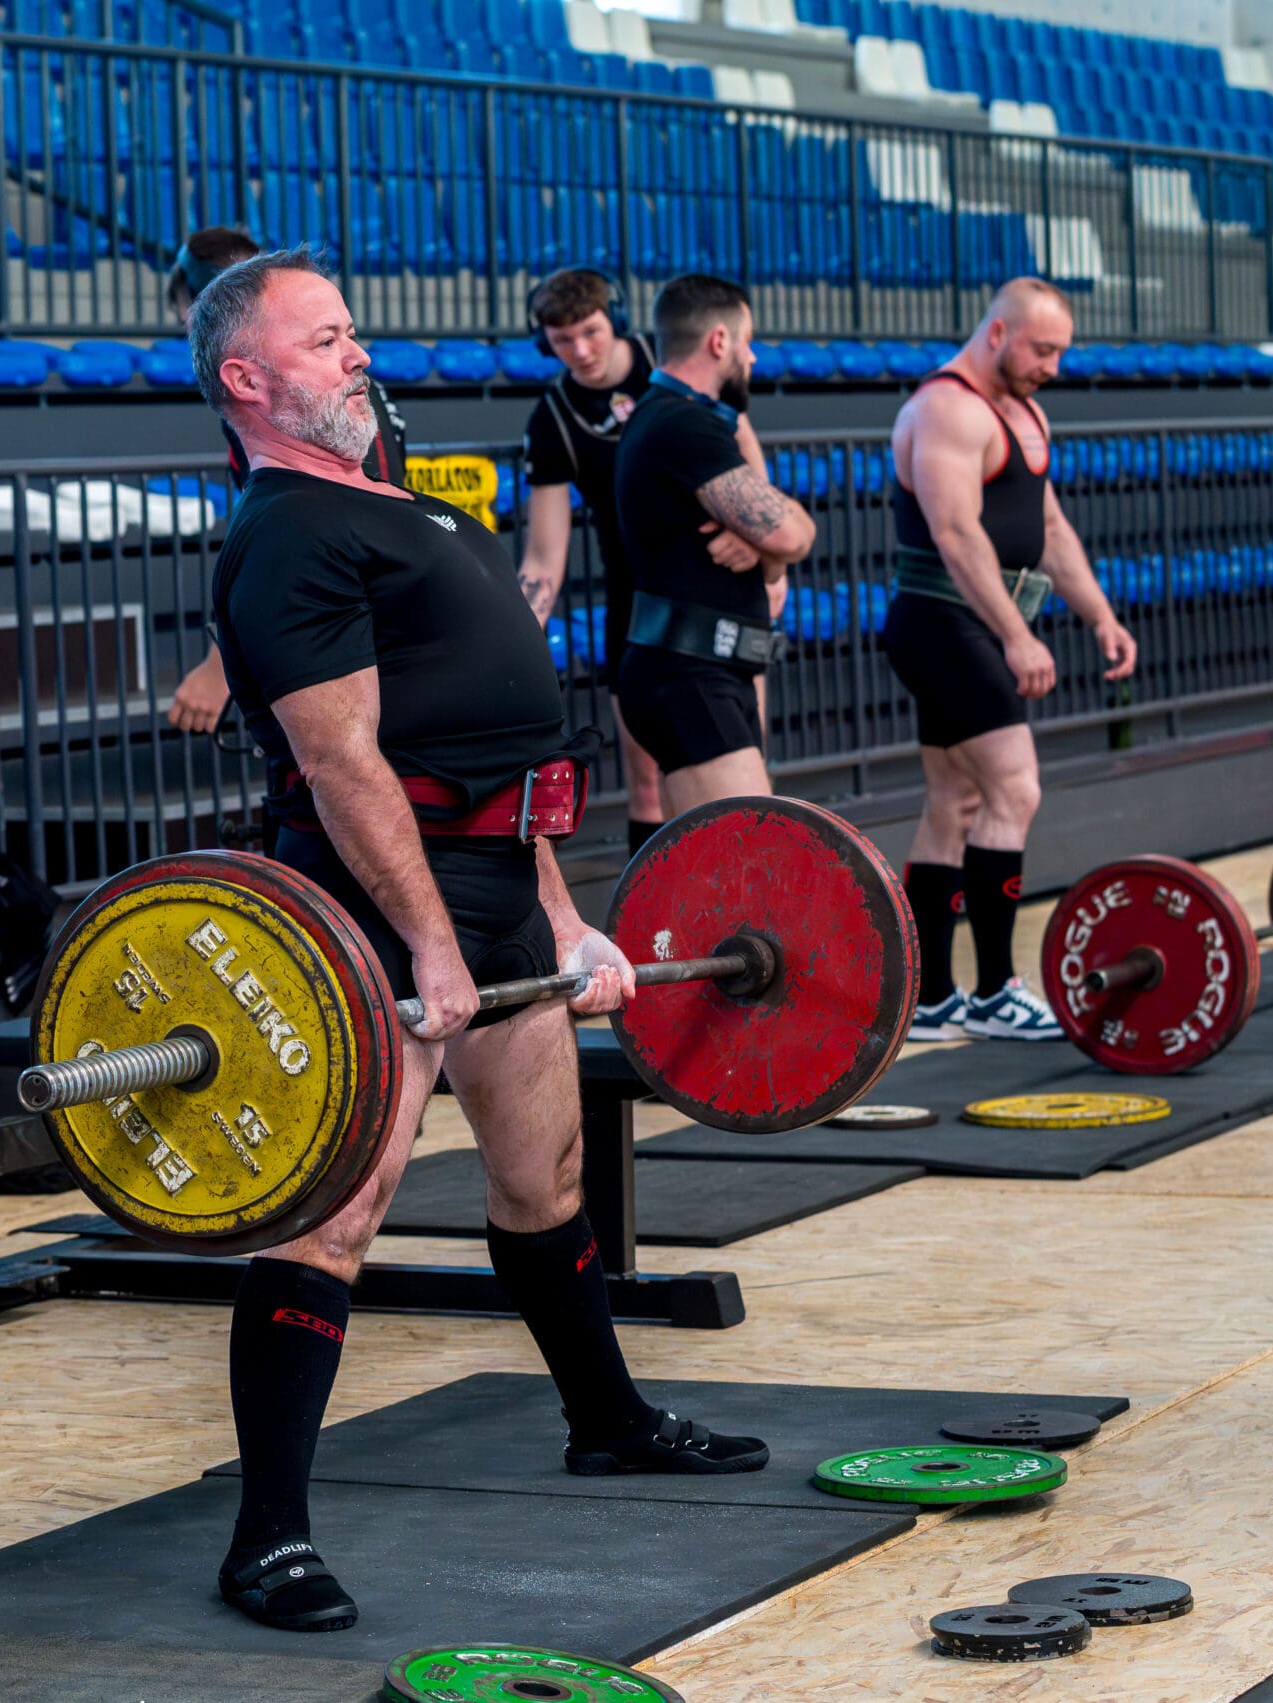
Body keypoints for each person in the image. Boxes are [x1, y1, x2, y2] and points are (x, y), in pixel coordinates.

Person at [189, 250, 768, 1634]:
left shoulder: (392, 503)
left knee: (544, 1176)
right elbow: (343, 763)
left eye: (352, 331)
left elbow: (496, 752)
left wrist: (559, 917)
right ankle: (267, 1536)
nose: (357, 354)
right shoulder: (288, 532)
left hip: (500, 883)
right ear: (246, 378)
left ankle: (606, 1418)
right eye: (324, 339)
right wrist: (430, 944)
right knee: (332, 1218)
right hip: (373, 907)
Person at [884, 277, 1136, 1044]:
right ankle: (996, 990)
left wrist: (1099, 614)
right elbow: (956, 533)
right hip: (943, 622)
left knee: (954, 802)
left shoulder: (1023, 409)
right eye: (1042, 349)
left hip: (973, 624)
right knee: (1014, 788)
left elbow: (1049, 527)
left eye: (1061, 352)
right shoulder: (948, 407)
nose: (1053, 366)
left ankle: (929, 999)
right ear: (997, 332)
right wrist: (1017, 635)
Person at [162, 225, 407, 738]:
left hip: (359, 627)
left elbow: (307, 526)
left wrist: (219, 665)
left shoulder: (298, 395)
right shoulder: (323, 385)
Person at [609, 275, 815, 816]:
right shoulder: (683, 423)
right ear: (719, 341)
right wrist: (773, 542)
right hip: (689, 675)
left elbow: (778, 541)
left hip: (703, 671)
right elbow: (793, 533)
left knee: (714, 861)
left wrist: (764, 548)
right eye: (748, 341)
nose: (752, 356)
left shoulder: (674, 416)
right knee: (752, 852)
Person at [514, 268, 671, 855]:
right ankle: (653, 912)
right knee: (648, 783)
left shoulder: (667, 360)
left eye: (591, 332)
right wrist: (514, 634)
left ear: (617, 321)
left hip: (711, 588)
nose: (579, 351)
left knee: (735, 774)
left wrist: (763, 555)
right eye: (562, 340)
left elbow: (739, 445)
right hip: (634, 597)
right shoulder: (553, 418)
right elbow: (543, 558)